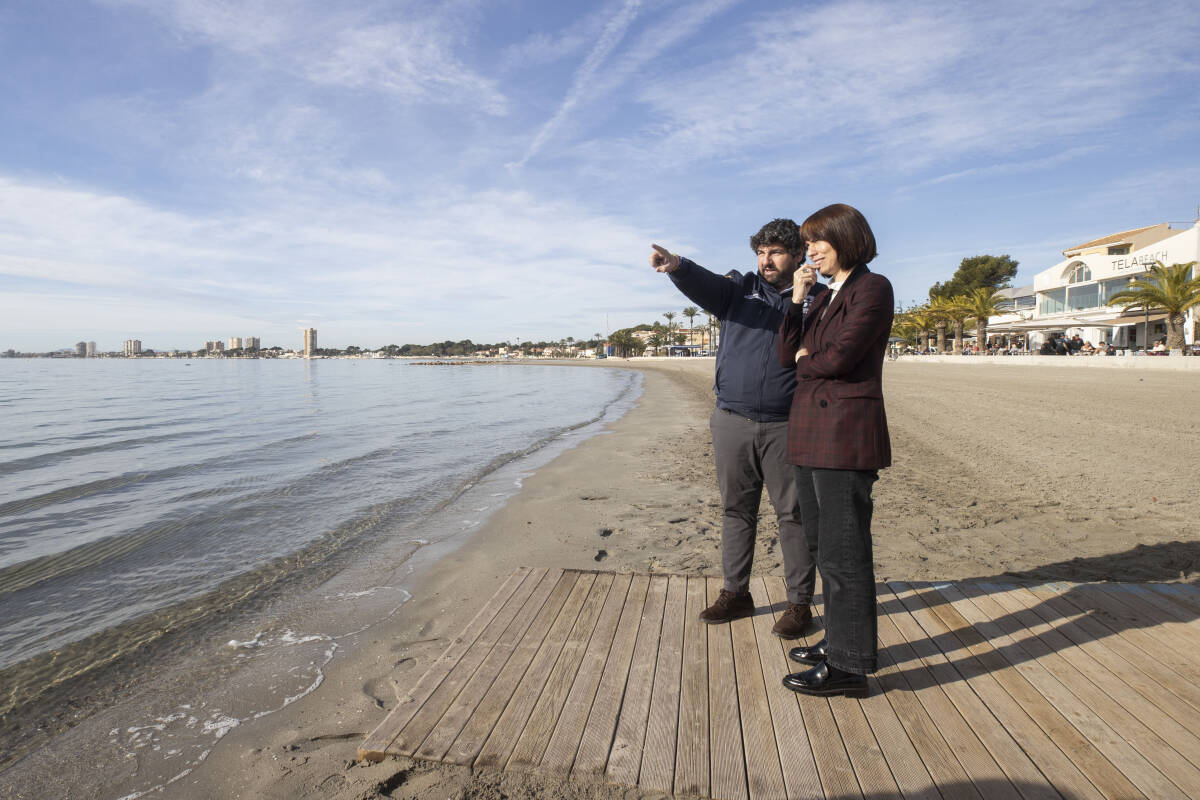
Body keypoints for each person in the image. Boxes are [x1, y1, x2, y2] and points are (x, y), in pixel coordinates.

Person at [649, 220, 827, 638]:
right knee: (735, 510)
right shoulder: (738, 290)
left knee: (794, 516)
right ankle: (736, 593)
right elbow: (706, 285)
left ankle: (799, 603)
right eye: (761, 252)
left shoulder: (818, 300)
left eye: (776, 252)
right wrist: (677, 265)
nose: (766, 261)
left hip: (789, 424)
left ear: (799, 254)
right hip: (732, 421)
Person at [776, 203, 893, 698]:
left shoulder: (872, 287)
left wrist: (809, 358)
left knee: (846, 554)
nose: (810, 252)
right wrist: (797, 298)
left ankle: (849, 668)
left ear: (844, 238)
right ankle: (838, 643)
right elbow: (789, 354)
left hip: (844, 435)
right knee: (824, 548)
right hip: (811, 433)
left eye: (816, 242)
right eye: (806, 245)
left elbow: (840, 358)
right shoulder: (823, 296)